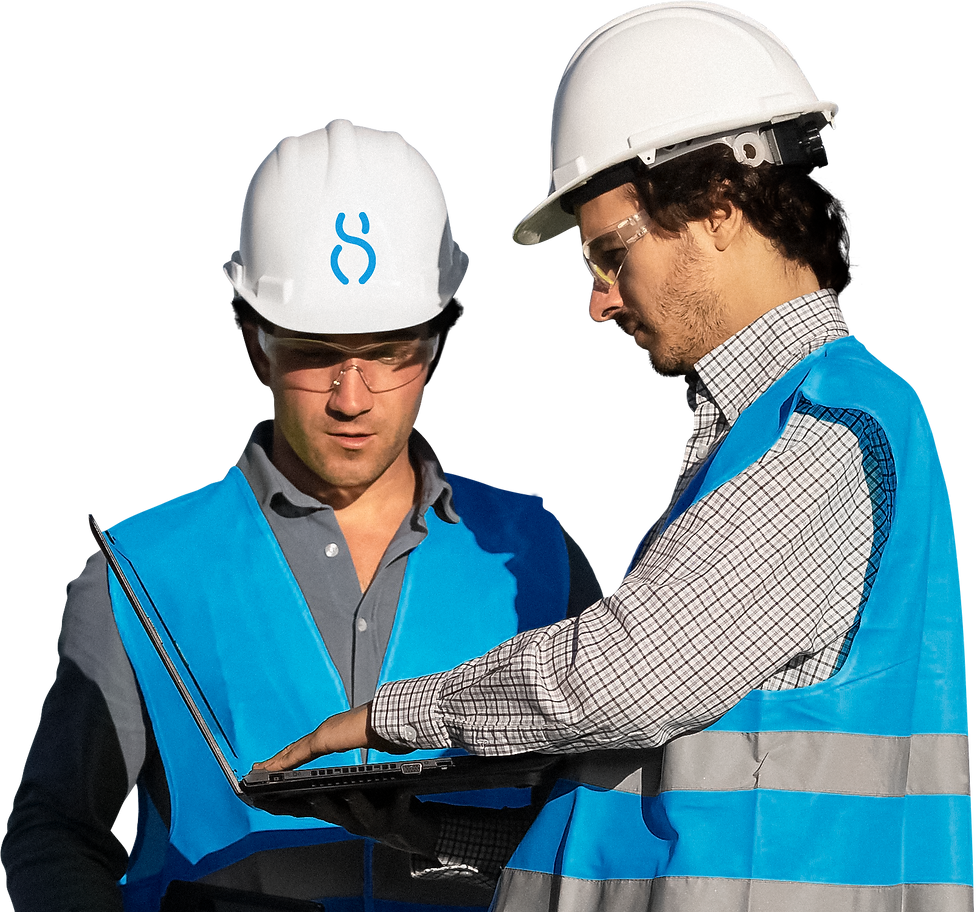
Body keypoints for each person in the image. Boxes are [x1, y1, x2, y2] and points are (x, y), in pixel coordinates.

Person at [254, 5, 973, 911]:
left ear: (717, 208)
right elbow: (657, 813)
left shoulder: (827, 428)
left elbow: (619, 677)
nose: (598, 303)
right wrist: (427, 831)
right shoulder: (763, 435)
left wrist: (392, 717)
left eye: (609, 254)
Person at [1, 117, 603, 911]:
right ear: (257, 347)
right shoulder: (136, 573)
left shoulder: (540, 556)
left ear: (437, 344)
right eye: (316, 354)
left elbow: (602, 819)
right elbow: (55, 831)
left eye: (388, 352)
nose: (351, 398)